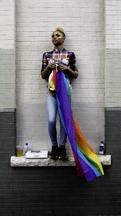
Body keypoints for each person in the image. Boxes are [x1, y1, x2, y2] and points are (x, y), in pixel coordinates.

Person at [41, 27, 78, 160]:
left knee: (63, 119)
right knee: (51, 119)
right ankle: (54, 146)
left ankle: (61, 147)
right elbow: (42, 75)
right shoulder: (47, 55)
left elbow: (76, 74)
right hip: (51, 91)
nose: (54, 37)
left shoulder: (70, 55)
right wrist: (48, 67)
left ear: (63, 38)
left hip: (65, 90)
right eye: (52, 36)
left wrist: (67, 68)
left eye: (57, 35)